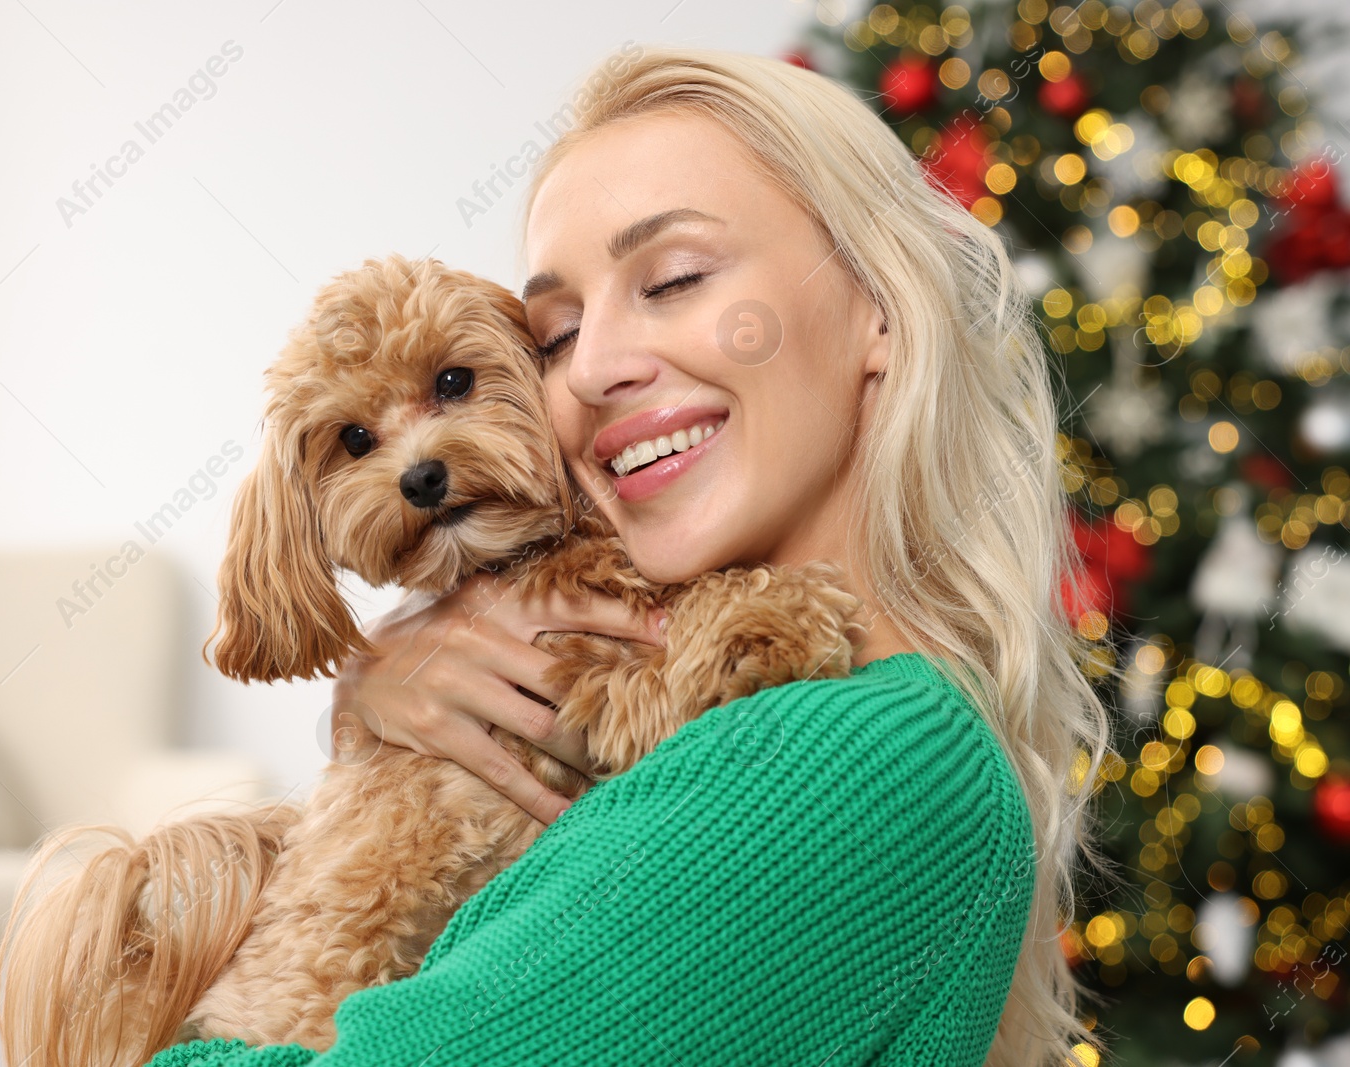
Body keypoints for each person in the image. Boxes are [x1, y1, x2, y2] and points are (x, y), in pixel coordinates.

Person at [151, 44, 1112, 1067]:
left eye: (676, 277)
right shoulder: (827, 727)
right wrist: (383, 682)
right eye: (558, 333)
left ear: (877, 302)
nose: (598, 365)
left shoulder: (845, 765)